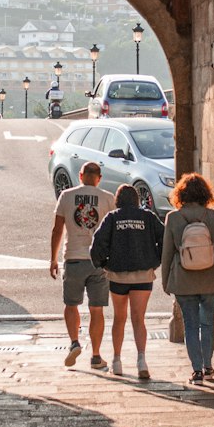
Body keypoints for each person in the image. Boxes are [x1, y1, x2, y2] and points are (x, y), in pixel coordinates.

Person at [161, 173, 214, 385]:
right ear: (205, 193)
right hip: (211, 278)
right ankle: (208, 366)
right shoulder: (212, 217)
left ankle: (196, 372)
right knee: (207, 324)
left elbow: (167, 252)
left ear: (180, 194)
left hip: (183, 280)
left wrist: (166, 280)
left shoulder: (173, 218)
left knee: (191, 325)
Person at [90, 183, 163, 380]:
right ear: (137, 200)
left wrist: (104, 264)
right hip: (143, 275)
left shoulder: (113, 218)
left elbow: (97, 245)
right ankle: (141, 361)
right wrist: (155, 261)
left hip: (118, 276)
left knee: (119, 318)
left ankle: (117, 360)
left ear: (118, 200)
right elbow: (164, 239)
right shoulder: (148, 217)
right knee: (139, 318)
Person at [50, 161, 116, 370]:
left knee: (71, 305)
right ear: (99, 178)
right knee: (97, 309)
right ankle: (96, 356)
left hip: (74, 258)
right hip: (99, 261)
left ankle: (74, 343)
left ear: (80, 176)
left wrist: (52, 258)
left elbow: (57, 229)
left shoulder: (67, 196)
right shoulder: (107, 198)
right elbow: (113, 232)